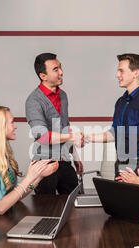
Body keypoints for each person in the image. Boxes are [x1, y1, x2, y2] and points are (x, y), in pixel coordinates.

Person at [85, 53, 139, 182]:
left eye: (121, 71)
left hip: (138, 167)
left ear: (135, 73)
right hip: (120, 164)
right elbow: (114, 133)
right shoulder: (121, 102)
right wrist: (87, 138)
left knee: (135, 203)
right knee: (119, 202)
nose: (117, 75)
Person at [0, 106, 59, 215]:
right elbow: (0, 208)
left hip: (7, 217)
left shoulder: (2, 155)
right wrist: (29, 177)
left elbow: (17, 195)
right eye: (12, 122)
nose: (15, 126)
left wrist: (39, 176)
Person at [25, 52, 84, 195]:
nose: (61, 72)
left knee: (74, 205)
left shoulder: (63, 95)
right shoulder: (33, 101)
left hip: (64, 162)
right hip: (44, 165)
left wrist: (75, 157)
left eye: (60, 68)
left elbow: (65, 128)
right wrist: (72, 138)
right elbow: (43, 137)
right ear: (43, 76)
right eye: (55, 69)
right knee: (46, 210)